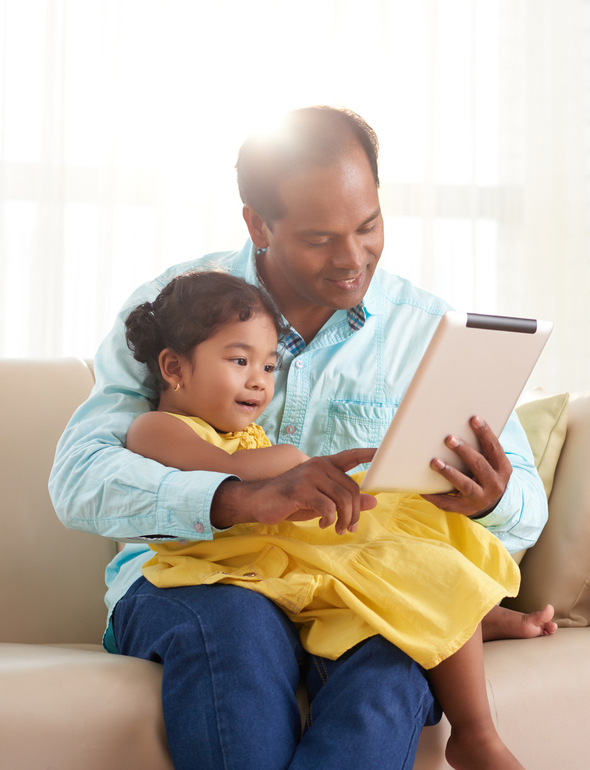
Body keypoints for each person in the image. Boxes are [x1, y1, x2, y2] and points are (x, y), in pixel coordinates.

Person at [49, 105, 550, 770]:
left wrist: (489, 498)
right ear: (258, 223)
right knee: (237, 627)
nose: (352, 259)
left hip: (354, 586)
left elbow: (528, 510)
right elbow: (79, 477)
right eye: (319, 239)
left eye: (369, 226)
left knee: (395, 654)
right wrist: (238, 499)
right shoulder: (178, 310)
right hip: (200, 577)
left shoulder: (427, 330)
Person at [123, 268, 527, 769]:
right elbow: (228, 473)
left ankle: (474, 712)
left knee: (418, 543)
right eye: (239, 360)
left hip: (274, 558)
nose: (258, 380)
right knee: (396, 555)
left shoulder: (247, 433)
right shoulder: (156, 428)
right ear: (173, 367)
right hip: (217, 567)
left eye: (269, 366)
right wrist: (293, 461)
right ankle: (474, 703)